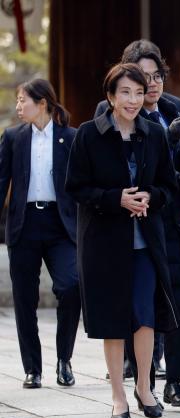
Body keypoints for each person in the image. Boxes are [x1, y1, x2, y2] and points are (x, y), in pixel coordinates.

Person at [95, 39, 180, 407]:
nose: (151, 85)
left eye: (157, 76)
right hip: (131, 219)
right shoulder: (107, 112)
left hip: (170, 213)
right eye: (143, 77)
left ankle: (174, 380)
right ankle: (142, 374)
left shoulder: (175, 107)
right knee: (140, 298)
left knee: (178, 298)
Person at [66, 63, 178, 418]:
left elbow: (169, 187)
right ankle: (118, 396)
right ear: (111, 96)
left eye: (138, 92)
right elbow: (76, 189)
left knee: (144, 317)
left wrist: (150, 196)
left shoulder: (155, 135)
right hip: (102, 243)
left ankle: (144, 387)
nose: (133, 100)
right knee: (112, 319)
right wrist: (117, 199)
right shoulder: (88, 135)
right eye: (125, 92)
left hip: (145, 242)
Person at [0, 79, 80, 389]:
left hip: (61, 226)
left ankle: (64, 359)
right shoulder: (12, 138)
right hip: (24, 225)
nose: (19, 107)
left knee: (71, 286)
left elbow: (80, 185)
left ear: (43, 103)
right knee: (24, 299)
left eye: (23, 101)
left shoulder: (70, 139)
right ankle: (32, 368)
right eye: (17, 101)